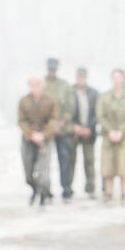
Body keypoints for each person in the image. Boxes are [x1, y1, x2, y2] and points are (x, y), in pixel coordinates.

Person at [18, 76, 60, 206]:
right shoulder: (24, 101)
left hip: (45, 139)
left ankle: (43, 193)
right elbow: (21, 121)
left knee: (44, 171)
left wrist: (43, 135)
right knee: (28, 172)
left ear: (42, 86)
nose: (34, 88)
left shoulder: (50, 101)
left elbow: (53, 120)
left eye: (37, 85)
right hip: (28, 139)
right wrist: (31, 134)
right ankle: (35, 189)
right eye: (32, 85)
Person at [99, 69, 125, 204]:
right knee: (108, 167)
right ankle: (108, 194)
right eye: (114, 77)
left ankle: (124, 194)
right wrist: (110, 130)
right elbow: (100, 116)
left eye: (119, 77)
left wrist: (121, 131)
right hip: (108, 136)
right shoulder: (104, 97)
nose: (117, 80)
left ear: (124, 79)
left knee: (123, 166)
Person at [44, 58, 78, 202]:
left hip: (63, 129)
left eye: (54, 67)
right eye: (50, 67)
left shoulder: (64, 85)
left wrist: (61, 123)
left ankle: (66, 188)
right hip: (46, 129)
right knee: (44, 160)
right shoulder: (41, 84)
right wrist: (49, 126)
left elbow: (71, 106)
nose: (52, 70)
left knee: (65, 160)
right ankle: (46, 189)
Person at [72, 67, 99, 199]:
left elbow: (97, 113)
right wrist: (74, 126)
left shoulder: (94, 93)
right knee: (71, 161)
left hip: (89, 132)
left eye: (83, 77)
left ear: (86, 78)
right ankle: (68, 188)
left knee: (89, 161)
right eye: (79, 77)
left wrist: (89, 127)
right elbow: (67, 111)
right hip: (74, 132)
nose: (81, 79)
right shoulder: (70, 92)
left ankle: (91, 187)